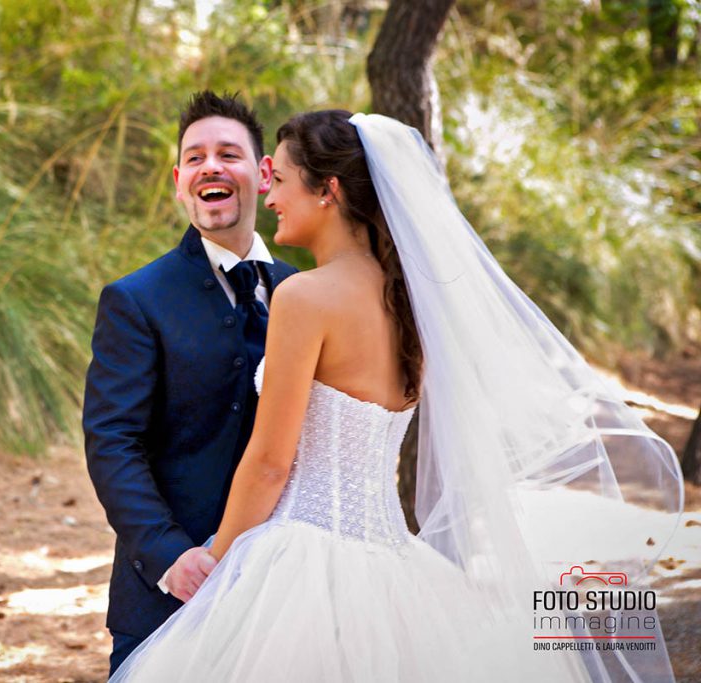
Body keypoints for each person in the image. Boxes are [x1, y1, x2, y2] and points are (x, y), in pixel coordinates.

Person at [108, 111, 683, 681]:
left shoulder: (304, 297)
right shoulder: (413, 304)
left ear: (328, 190)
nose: (273, 194)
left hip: (300, 562)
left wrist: (217, 565)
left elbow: (269, 464)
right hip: (394, 563)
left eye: (280, 180)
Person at [83, 91, 298, 675]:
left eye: (228, 154)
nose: (211, 167)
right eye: (195, 158)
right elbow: (112, 442)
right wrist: (169, 555)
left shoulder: (304, 293)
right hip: (166, 594)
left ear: (263, 173)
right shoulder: (135, 300)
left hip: (286, 590)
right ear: (180, 181)